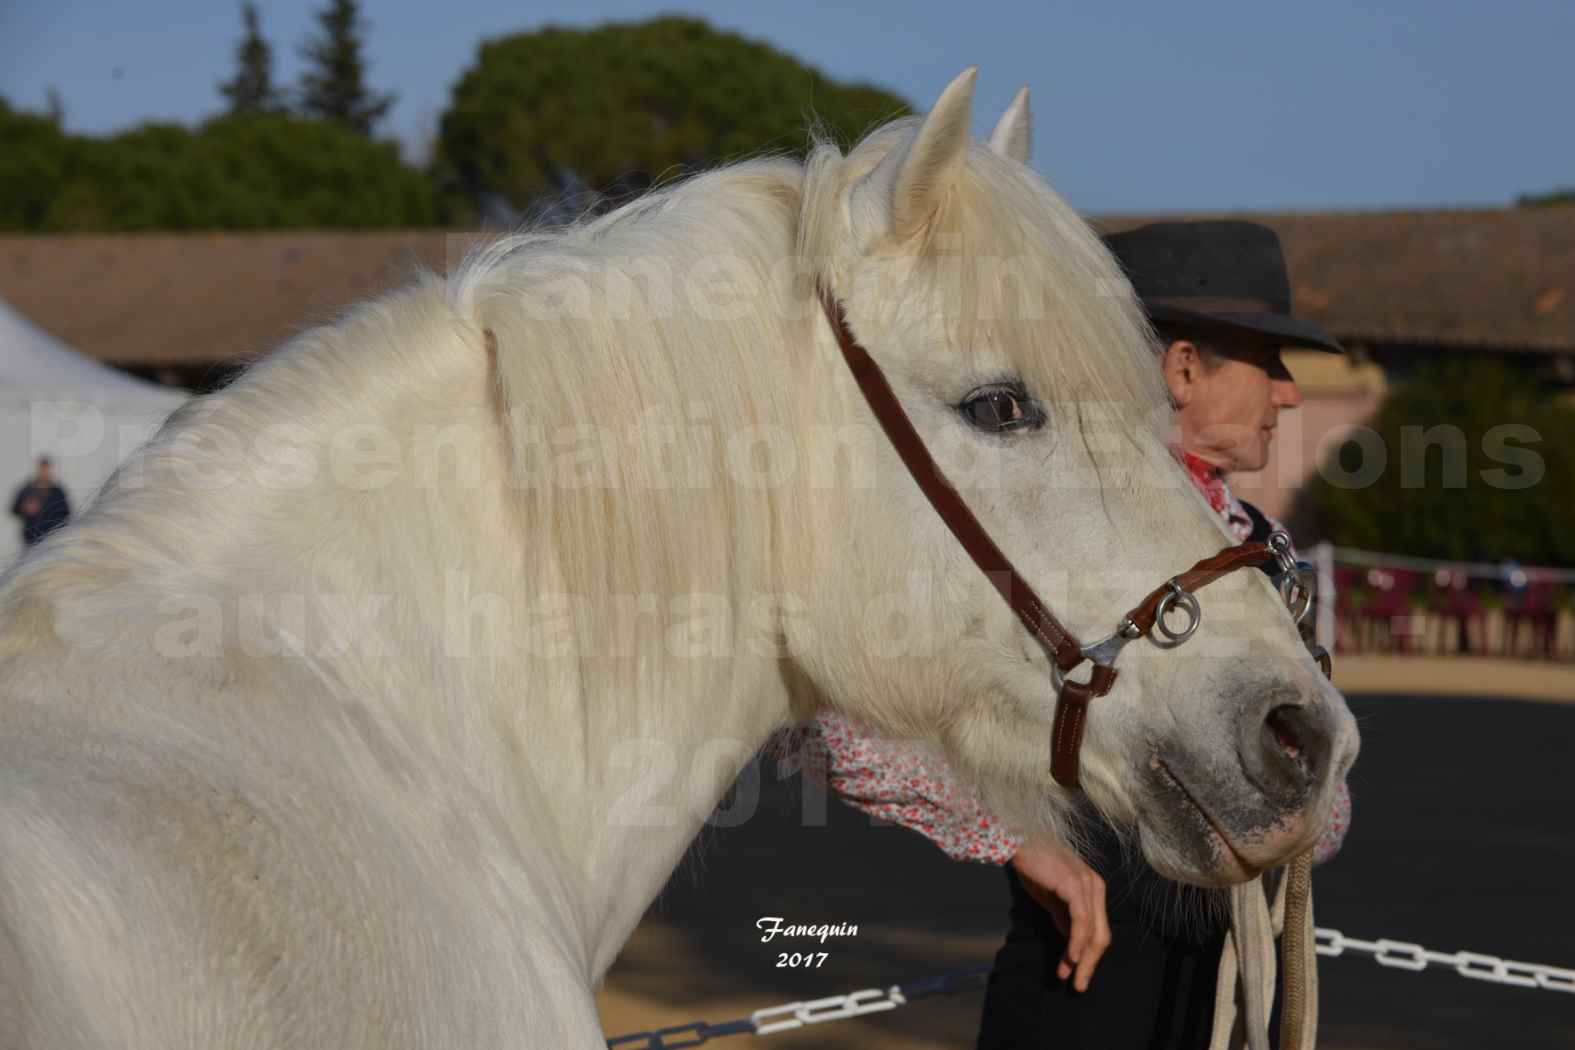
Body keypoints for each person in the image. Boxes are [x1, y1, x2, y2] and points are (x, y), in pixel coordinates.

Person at [781, 221, 1352, 1049]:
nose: (1290, 394)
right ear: (1184, 368)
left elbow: (1322, 800)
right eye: (1269, 364)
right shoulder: (1039, 534)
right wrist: (1015, 837)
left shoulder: (1261, 545)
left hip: (1227, 993)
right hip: (1084, 988)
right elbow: (816, 705)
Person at [10, 456, 71, 547]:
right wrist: (25, 508)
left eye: (46, 469)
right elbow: (14, 509)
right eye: (42, 469)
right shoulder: (27, 490)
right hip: (31, 540)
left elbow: (66, 513)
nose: (43, 472)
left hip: (52, 540)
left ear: (50, 469)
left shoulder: (58, 491)